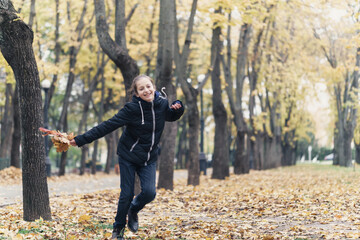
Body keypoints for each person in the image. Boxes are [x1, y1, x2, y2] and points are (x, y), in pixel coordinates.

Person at [69, 75, 184, 239]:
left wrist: (179, 107)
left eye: (148, 86)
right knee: (127, 194)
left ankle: (133, 209)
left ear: (154, 87)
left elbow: (171, 115)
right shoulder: (132, 109)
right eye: (141, 89)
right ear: (136, 93)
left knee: (150, 193)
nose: (146, 90)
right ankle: (118, 230)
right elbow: (108, 125)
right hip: (128, 156)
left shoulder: (161, 104)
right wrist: (81, 139)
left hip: (148, 158)